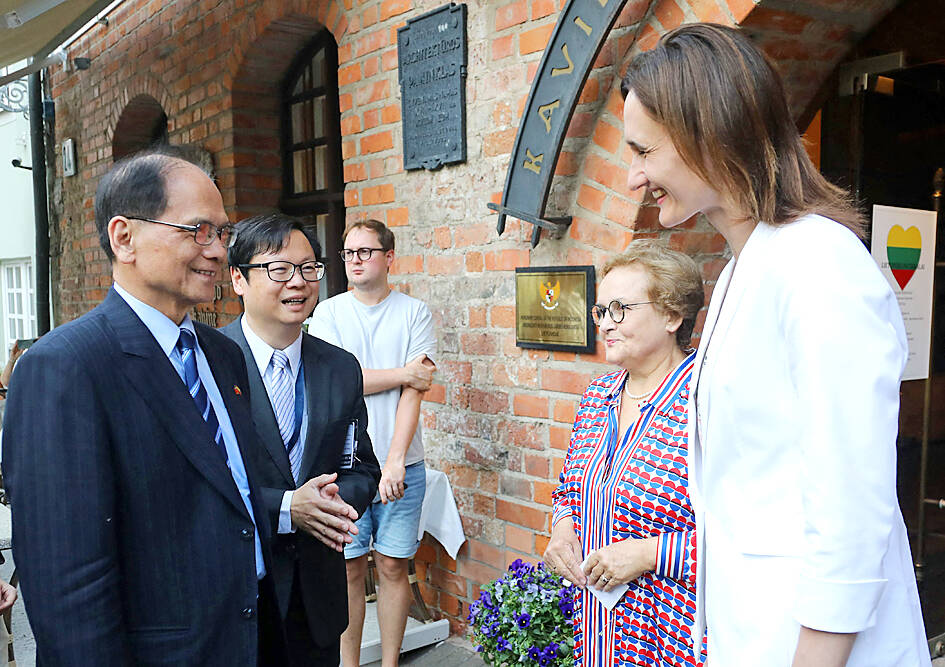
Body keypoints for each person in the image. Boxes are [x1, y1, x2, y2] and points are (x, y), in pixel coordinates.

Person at [621, 23, 930, 666]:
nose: (631, 177)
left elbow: (850, 510)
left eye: (643, 152)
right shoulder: (743, 269)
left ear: (707, 133)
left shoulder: (818, 263)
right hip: (754, 635)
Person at [1, 148, 286, 665]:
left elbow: (229, 498)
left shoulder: (221, 353)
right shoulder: (65, 367)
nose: (219, 251)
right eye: (198, 230)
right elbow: (66, 583)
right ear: (124, 238)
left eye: (223, 233)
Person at [222, 213, 381, 665]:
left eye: (309, 268)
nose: (298, 282)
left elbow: (362, 466)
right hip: (241, 594)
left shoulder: (339, 367)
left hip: (317, 598)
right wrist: (290, 508)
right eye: (279, 270)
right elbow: (200, 485)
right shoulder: (211, 364)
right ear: (238, 279)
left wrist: (331, 504)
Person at [544, 241, 706, 666]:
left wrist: (649, 553)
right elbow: (569, 491)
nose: (605, 324)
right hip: (597, 634)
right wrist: (562, 530)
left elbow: (750, 534)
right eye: (601, 311)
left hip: (672, 635)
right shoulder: (598, 396)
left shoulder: (706, 402)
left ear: (672, 315)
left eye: (621, 309)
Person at [308, 219, 436, 667]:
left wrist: (395, 461)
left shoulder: (414, 312)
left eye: (365, 251)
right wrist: (402, 372)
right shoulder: (328, 314)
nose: (356, 261)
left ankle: (390, 663)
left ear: (389, 258)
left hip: (404, 465)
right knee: (348, 570)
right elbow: (340, 383)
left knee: (394, 566)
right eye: (348, 254)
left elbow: (415, 392)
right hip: (343, 468)